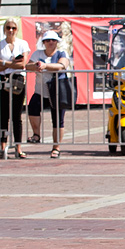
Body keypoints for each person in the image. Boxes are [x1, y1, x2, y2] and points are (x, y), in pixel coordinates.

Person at [26, 31, 71, 159]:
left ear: (57, 42)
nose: (51, 42)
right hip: (41, 91)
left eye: (53, 40)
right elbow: (27, 66)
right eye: (48, 40)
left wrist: (45, 66)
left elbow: (62, 65)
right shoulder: (37, 54)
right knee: (33, 108)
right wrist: (35, 65)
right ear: (44, 42)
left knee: (58, 119)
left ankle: (56, 147)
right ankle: (36, 134)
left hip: (57, 91)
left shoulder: (61, 53)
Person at [0, 20, 29, 159]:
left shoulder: (22, 44)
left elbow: (23, 64)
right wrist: (12, 64)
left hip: (18, 81)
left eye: (13, 28)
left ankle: (18, 147)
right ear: (4, 29)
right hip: (2, 81)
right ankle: (2, 146)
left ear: (17, 30)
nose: (11, 30)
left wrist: (4, 63)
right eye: (8, 28)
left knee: (16, 115)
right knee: (3, 114)